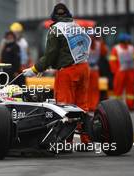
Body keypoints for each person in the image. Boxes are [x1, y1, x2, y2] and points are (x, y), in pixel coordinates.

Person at [23, 3, 92, 145]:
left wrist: (35, 69)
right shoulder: (76, 26)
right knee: (82, 106)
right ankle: (86, 141)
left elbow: (50, 55)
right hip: (84, 68)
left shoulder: (55, 29)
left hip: (67, 71)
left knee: (65, 108)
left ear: (54, 16)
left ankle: (66, 143)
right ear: (68, 14)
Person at [109, 33, 134, 111]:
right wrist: (116, 72)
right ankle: (118, 106)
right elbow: (112, 61)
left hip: (130, 72)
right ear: (123, 40)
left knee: (131, 90)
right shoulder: (116, 48)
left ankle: (131, 106)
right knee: (118, 90)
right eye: (127, 40)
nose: (128, 41)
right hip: (120, 72)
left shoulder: (132, 48)